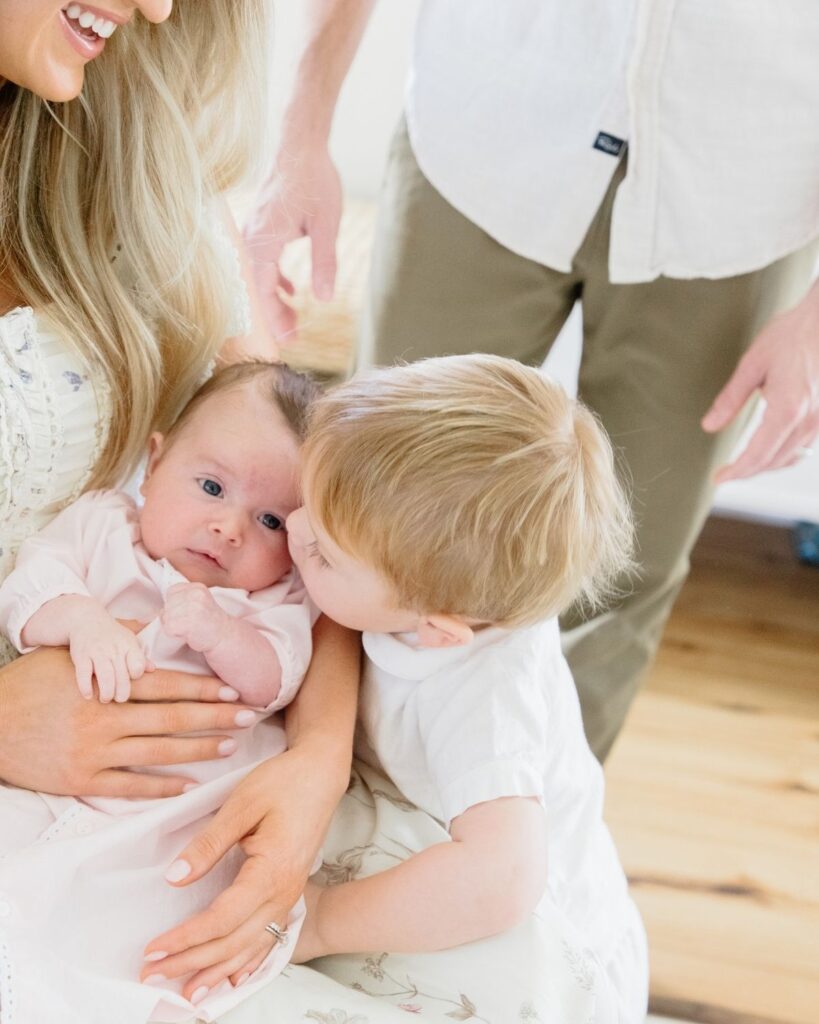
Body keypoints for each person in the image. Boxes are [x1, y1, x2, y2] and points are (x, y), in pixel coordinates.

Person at [247, 0, 819, 761]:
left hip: (739, 192)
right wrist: (299, 136)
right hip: (484, 133)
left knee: (626, 567)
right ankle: (323, 779)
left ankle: (534, 833)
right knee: (354, 499)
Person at [0, 2, 360, 1017]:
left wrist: (316, 766)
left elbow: (310, 515)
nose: (158, 6)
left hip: (163, 785)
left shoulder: (140, 169)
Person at [143, 354, 649, 1024]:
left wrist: (323, 921)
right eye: (303, 508)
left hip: (522, 911)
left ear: (436, 630)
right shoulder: (430, 575)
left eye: (321, 552)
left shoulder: (486, 703)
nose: (293, 532)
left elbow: (502, 878)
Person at [0, 361, 324, 1021]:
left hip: (169, 816)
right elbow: (30, 587)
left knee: (139, 926)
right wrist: (82, 620)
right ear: (154, 464)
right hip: (47, 774)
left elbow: (276, 677)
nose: (230, 528)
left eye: (269, 521)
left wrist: (221, 634)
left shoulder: (274, 598)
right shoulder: (103, 525)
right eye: (210, 486)